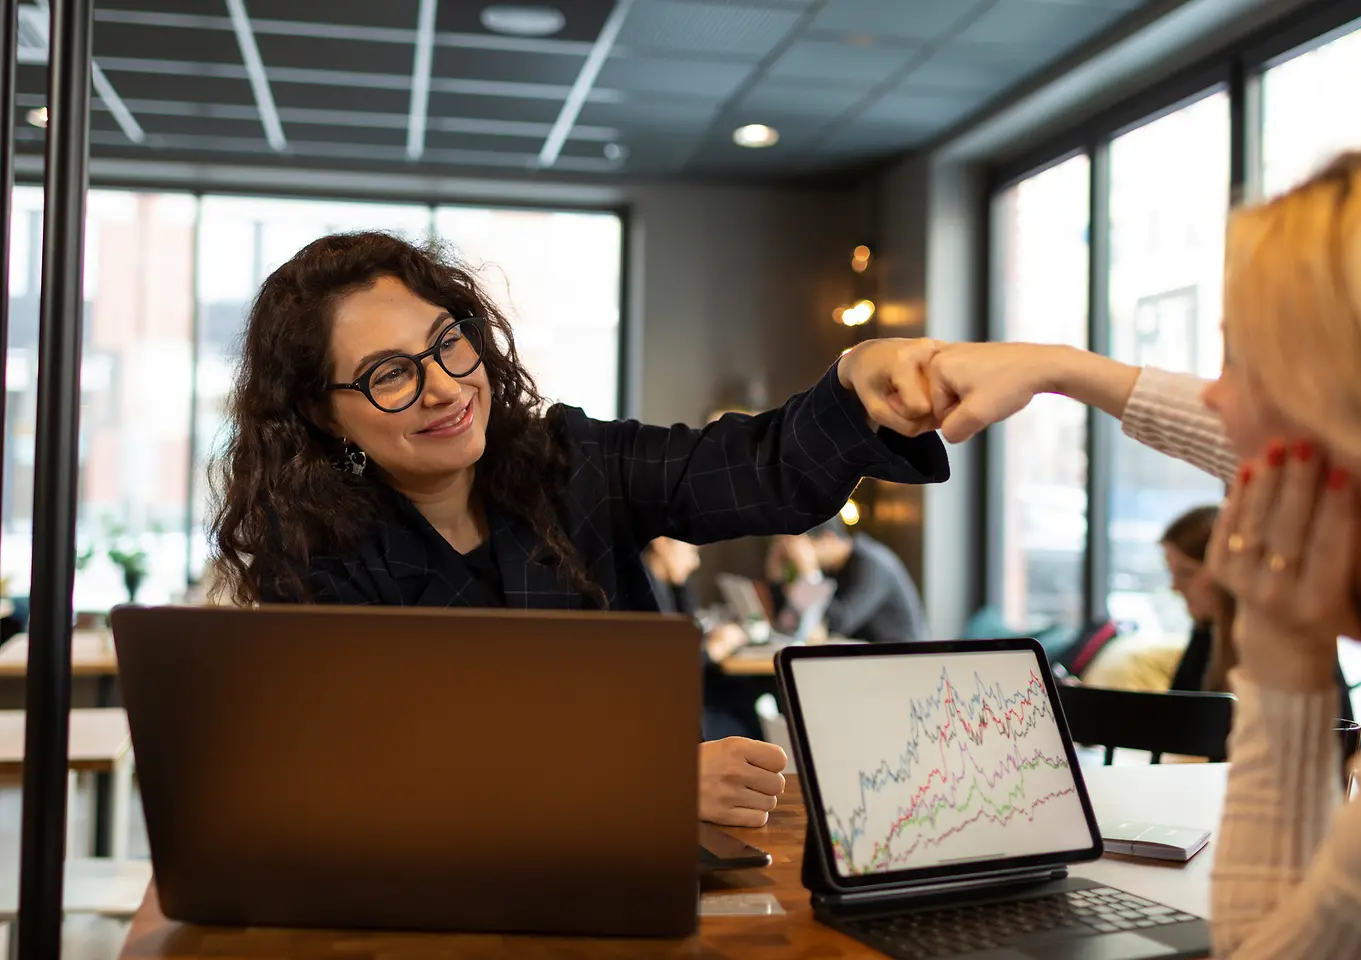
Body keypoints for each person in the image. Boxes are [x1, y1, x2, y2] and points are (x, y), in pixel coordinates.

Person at [209, 231, 949, 829]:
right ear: (317, 412)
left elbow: (761, 469)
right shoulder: (314, 560)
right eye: (389, 374)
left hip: (649, 881)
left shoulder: (573, 463)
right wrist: (650, 786)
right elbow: (388, 783)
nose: (444, 386)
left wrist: (863, 379)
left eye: (447, 342)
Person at [927, 149, 1361, 956]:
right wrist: (1062, 368)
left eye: (1240, 363)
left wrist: (1282, 658)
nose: (1211, 395)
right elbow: (1272, 450)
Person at [642, 536, 762, 741]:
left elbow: (690, 627)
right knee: (745, 722)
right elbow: (662, 668)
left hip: (681, 701)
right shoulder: (643, 595)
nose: (695, 562)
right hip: (666, 712)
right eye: (692, 551)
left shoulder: (666, 587)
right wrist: (710, 651)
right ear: (661, 542)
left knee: (744, 696)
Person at [764, 517, 928, 643]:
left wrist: (810, 571)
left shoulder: (871, 563)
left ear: (828, 539)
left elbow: (839, 624)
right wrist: (776, 575)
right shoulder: (829, 569)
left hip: (900, 659)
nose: (796, 556)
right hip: (865, 659)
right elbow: (788, 622)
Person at [1160, 505, 1236, 693]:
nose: (1175, 586)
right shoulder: (1205, 630)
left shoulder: (1256, 644)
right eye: (1172, 573)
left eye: (1187, 573)